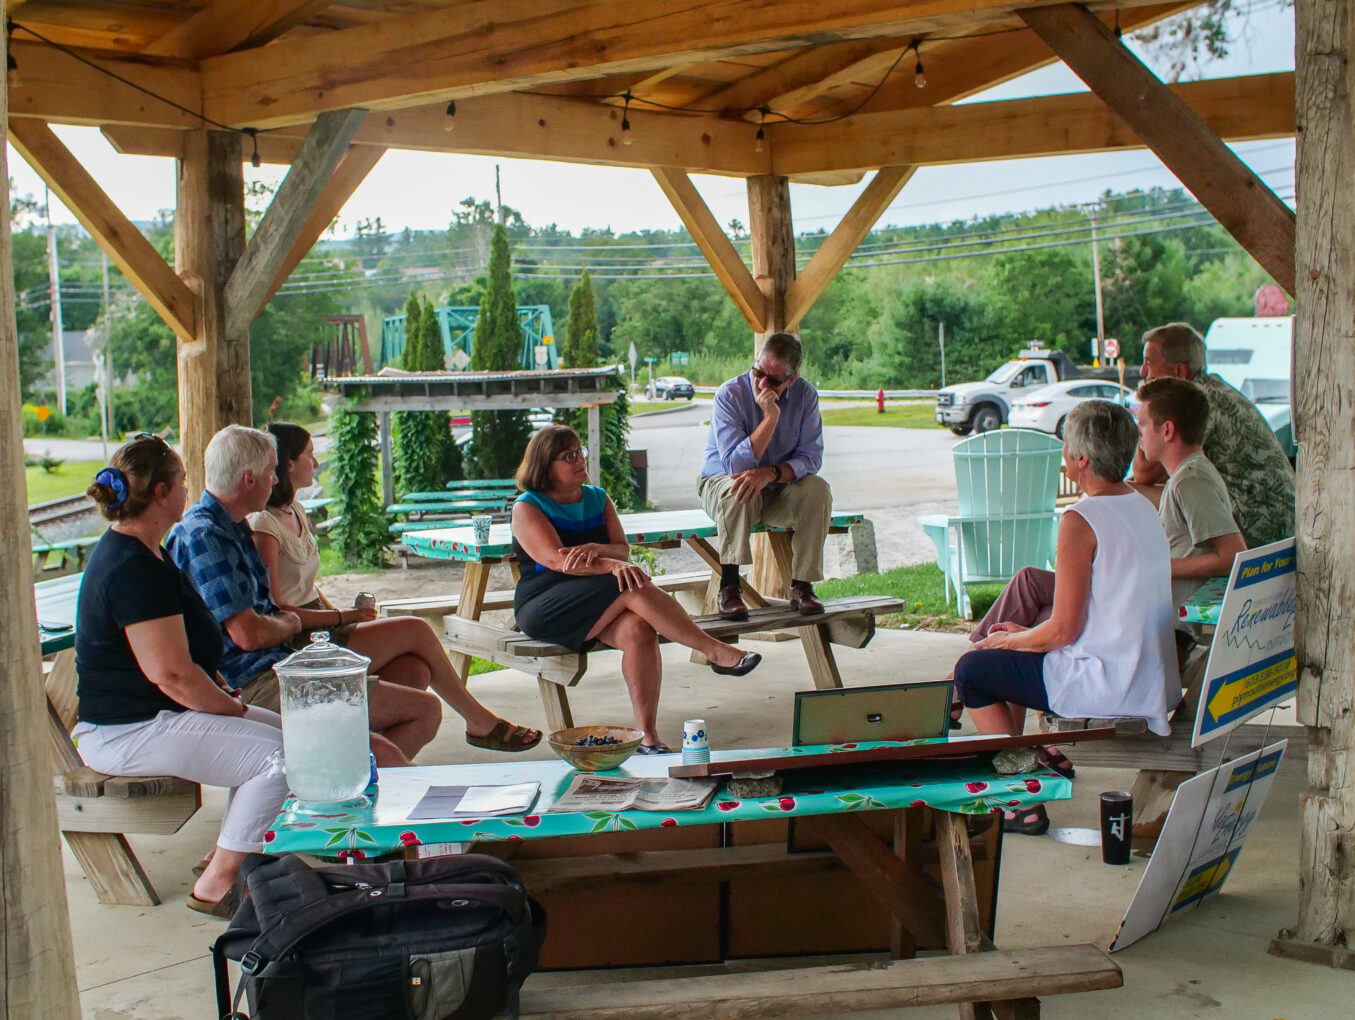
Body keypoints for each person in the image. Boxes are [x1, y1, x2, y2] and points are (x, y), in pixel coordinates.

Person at [72, 434, 288, 917]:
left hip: (152, 717)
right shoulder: (130, 567)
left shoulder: (148, 552)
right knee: (278, 759)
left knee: (283, 735)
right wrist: (229, 705)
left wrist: (222, 693)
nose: (190, 491)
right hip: (127, 730)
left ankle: (230, 850)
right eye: (184, 482)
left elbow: (180, 651)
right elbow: (169, 674)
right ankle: (219, 882)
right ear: (164, 493)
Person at [952, 401, 1180, 836]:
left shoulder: (1081, 518)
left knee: (974, 670)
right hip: (1146, 673)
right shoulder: (1143, 506)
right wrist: (1023, 635)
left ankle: (1020, 799)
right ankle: (1020, 769)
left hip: (1110, 682)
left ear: (1079, 460)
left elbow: (1064, 630)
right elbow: (1103, 607)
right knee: (1010, 653)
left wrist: (1010, 641)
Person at [249, 422, 540, 753]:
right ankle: (479, 722)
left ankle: (372, 768)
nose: (315, 464)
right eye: (310, 456)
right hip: (304, 640)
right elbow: (275, 607)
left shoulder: (295, 510)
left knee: (413, 669)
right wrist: (342, 618)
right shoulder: (264, 526)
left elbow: (307, 586)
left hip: (324, 623)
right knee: (416, 630)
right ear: (288, 464)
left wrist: (341, 616)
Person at [166, 425, 436, 765]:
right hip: (252, 680)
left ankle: (335, 775)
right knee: (420, 715)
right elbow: (249, 635)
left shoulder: (231, 526)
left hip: (280, 663)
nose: (276, 481)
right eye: (269, 473)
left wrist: (289, 624)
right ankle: (346, 775)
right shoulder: (206, 537)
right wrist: (292, 622)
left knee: (411, 673)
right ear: (248, 480)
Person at [512, 425, 762, 753]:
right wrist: (611, 565)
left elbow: (621, 549)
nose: (579, 459)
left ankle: (647, 736)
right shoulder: (528, 506)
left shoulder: (597, 499)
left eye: (580, 451)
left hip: (597, 601)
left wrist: (599, 551)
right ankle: (713, 650)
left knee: (639, 629)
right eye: (569, 456)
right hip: (545, 606)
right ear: (545, 467)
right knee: (629, 584)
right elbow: (559, 561)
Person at [698, 331, 831, 620]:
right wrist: (770, 418)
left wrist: (770, 473)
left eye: (773, 380)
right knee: (741, 485)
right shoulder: (729, 394)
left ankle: (803, 585)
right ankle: (730, 586)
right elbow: (735, 465)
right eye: (758, 371)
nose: (762, 383)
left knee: (817, 488)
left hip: (775, 486)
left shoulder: (806, 396)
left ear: (792, 379)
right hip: (722, 484)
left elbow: (811, 457)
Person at [1132, 321, 1294, 548]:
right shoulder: (1215, 390)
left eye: (1149, 362)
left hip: (1259, 524)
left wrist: (1149, 409)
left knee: (1127, 492)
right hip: (1282, 521)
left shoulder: (1195, 402)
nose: (1143, 372)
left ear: (1179, 371)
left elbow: (1144, 474)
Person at [1135, 378, 1247, 608]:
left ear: (1166, 430)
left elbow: (1232, 555)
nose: (1139, 435)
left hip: (1181, 626)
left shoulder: (1190, 481)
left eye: (1142, 425)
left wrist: (1159, 567)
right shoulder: (1187, 476)